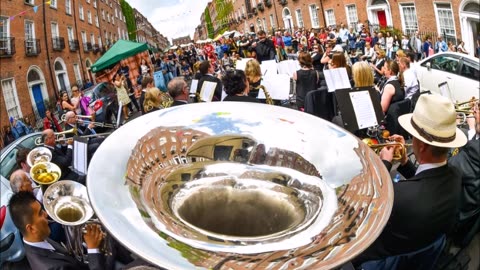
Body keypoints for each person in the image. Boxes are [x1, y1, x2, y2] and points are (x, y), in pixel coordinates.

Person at [354, 94, 467, 264]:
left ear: (421, 146)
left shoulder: (399, 197)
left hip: (378, 259)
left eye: (413, 136)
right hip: (425, 251)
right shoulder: (456, 175)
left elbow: (367, 200)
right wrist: (406, 162)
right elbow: (426, 183)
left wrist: (383, 163)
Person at [9, 191, 105, 270]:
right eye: (40, 213)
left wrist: (84, 244)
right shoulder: (52, 267)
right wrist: (93, 249)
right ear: (31, 228)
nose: (46, 214)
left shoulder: (36, 239)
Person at [448, 100, 480, 248]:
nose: (474, 112)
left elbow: (446, 167)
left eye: (478, 109)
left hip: (459, 214)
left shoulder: (475, 152)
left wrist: (448, 130)